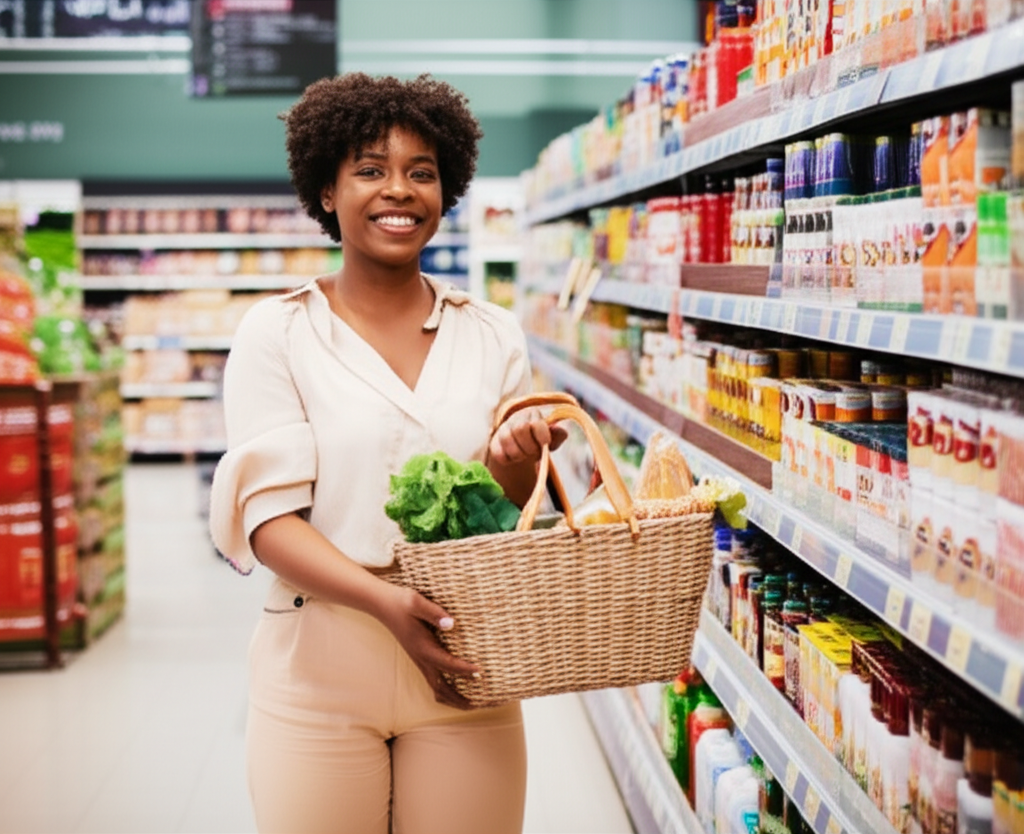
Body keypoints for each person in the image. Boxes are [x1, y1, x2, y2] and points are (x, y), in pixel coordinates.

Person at [208, 72, 566, 834]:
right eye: (370, 169)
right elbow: (271, 524)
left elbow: (503, 516)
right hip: (320, 665)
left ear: (447, 190)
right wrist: (385, 604)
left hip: (467, 661)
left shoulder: (492, 332)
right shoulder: (278, 334)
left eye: (421, 173)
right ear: (327, 192)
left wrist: (517, 457)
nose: (398, 190)